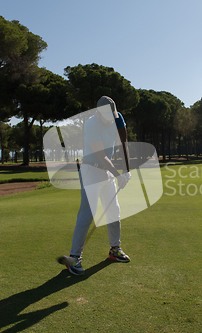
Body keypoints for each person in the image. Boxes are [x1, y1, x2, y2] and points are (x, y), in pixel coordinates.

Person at [58, 96, 132, 275]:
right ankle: (74, 258)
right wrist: (117, 174)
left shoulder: (117, 117)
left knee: (113, 210)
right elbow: (101, 156)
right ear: (99, 113)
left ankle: (115, 250)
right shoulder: (91, 124)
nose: (111, 120)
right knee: (87, 213)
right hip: (91, 170)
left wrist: (126, 171)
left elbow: (123, 144)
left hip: (108, 170)